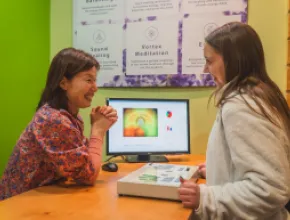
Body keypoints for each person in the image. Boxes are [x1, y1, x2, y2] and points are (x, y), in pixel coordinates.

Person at [178, 22, 290, 220]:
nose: (205, 69)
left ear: (232, 60)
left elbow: (269, 189)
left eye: (209, 61)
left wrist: (204, 197)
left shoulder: (242, 106)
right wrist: (218, 168)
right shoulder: (260, 96)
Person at [0, 48, 118, 200]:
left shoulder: (69, 117)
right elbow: (88, 175)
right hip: (18, 205)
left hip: (40, 198)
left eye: (94, 80)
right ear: (63, 83)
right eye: (89, 80)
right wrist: (98, 130)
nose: (95, 87)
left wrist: (97, 124)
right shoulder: (54, 120)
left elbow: (83, 163)